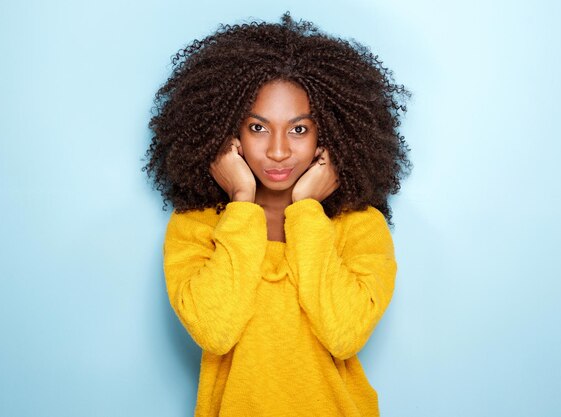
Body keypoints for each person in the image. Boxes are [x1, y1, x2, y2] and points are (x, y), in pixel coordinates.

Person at [143, 12, 411, 417]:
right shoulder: (197, 225)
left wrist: (305, 210)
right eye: (258, 128)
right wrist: (241, 197)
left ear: (330, 134)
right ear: (228, 132)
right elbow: (215, 331)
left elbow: (344, 334)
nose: (279, 151)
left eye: (299, 129)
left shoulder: (359, 226)